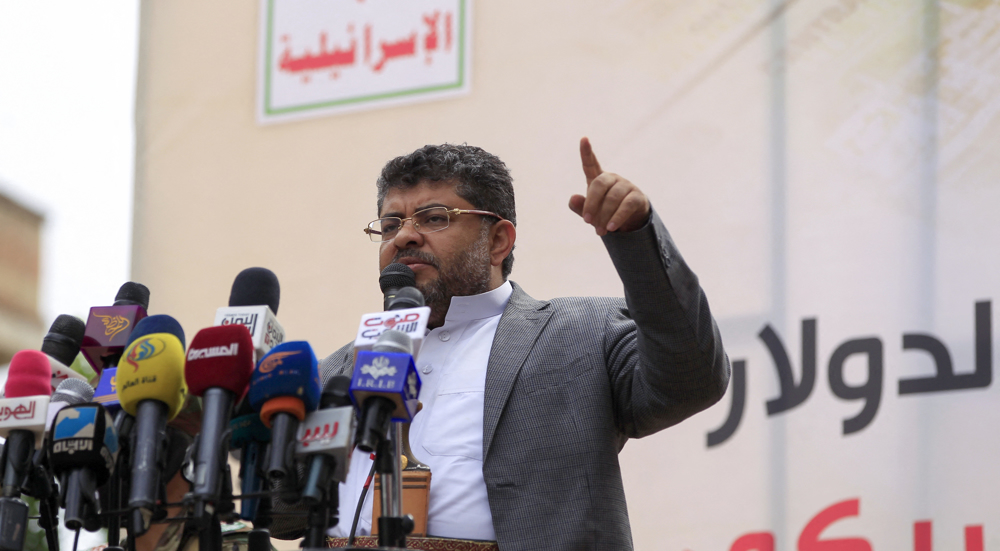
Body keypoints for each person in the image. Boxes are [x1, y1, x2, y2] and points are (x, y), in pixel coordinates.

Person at [319, 138, 730, 550]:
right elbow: (286, 511)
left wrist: (637, 241)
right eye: (390, 225)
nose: (405, 236)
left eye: (434, 218)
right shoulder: (336, 372)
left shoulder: (583, 332)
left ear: (498, 240)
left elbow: (691, 379)